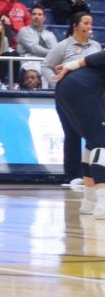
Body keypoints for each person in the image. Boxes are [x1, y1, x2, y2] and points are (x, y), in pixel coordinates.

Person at [43, 12, 100, 183]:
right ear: (75, 25)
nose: (89, 27)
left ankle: (92, 175)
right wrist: (57, 85)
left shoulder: (96, 46)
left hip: (91, 97)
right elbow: (46, 65)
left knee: (93, 136)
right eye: (85, 23)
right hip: (69, 96)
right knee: (72, 133)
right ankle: (73, 176)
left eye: (91, 24)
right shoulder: (64, 46)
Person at [49, 51, 105, 217]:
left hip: (68, 87)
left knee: (92, 141)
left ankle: (89, 202)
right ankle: (102, 203)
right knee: (101, 141)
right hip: (80, 87)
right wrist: (73, 64)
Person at [17, 6, 58, 78]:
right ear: (30, 16)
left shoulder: (49, 34)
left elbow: (55, 50)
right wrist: (52, 53)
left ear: (44, 17)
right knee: (42, 70)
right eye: (34, 14)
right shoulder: (24, 31)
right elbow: (34, 49)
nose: (36, 17)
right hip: (28, 61)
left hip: (46, 61)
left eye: (39, 14)